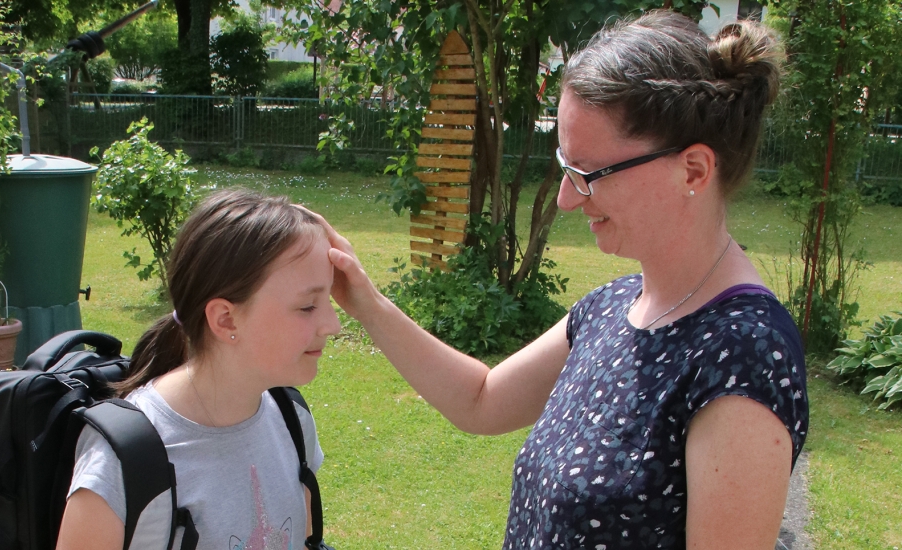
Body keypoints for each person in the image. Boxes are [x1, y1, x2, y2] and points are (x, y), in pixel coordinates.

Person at [317, 11, 808, 549]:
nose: (567, 198)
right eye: (564, 166)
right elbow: (481, 400)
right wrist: (366, 302)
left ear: (692, 169)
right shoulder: (613, 307)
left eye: (589, 174)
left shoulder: (742, 355)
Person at [57, 189, 340, 549]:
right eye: (307, 307)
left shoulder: (292, 420)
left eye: (328, 300)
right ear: (225, 319)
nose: (332, 324)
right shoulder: (125, 460)